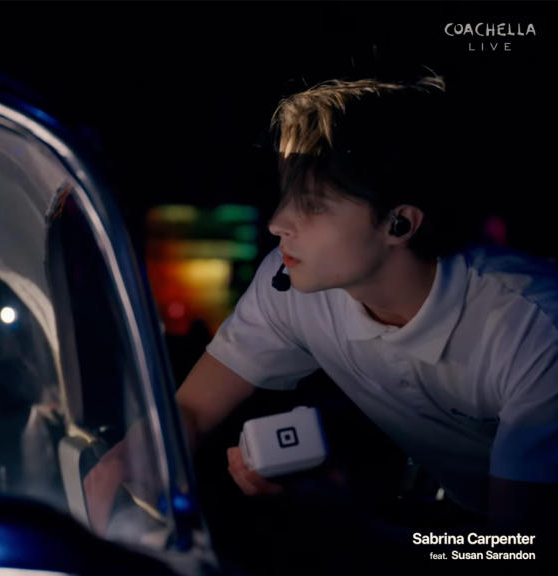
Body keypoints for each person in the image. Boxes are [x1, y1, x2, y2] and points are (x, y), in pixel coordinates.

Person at [85, 76, 558, 539]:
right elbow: (189, 412)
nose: (275, 223)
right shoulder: (290, 282)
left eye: (311, 206)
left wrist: (348, 521)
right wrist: (131, 458)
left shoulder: (534, 331)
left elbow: (515, 549)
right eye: (284, 196)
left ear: (399, 224)